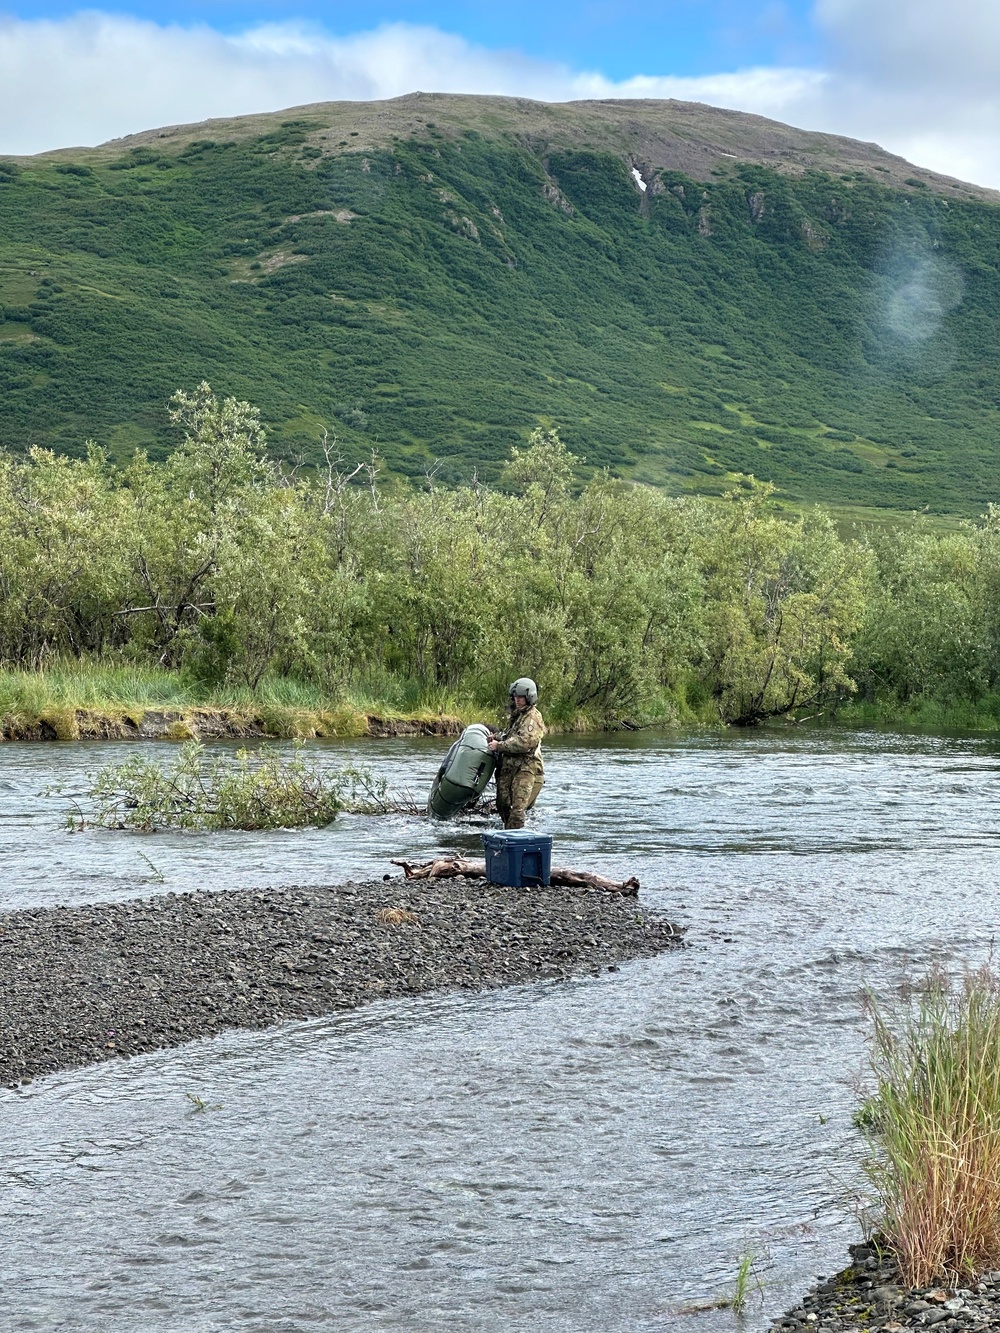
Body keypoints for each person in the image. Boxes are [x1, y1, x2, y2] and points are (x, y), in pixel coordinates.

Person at [487, 677, 545, 829]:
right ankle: (508, 831)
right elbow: (510, 735)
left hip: (526, 768)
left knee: (517, 809)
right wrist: (497, 737)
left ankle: (516, 839)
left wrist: (499, 745)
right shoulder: (518, 715)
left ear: (529, 697)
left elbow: (524, 743)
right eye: (515, 697)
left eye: (520, 697)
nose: (517, 700)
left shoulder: (532, 717)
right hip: (510, 767)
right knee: (502, 803)